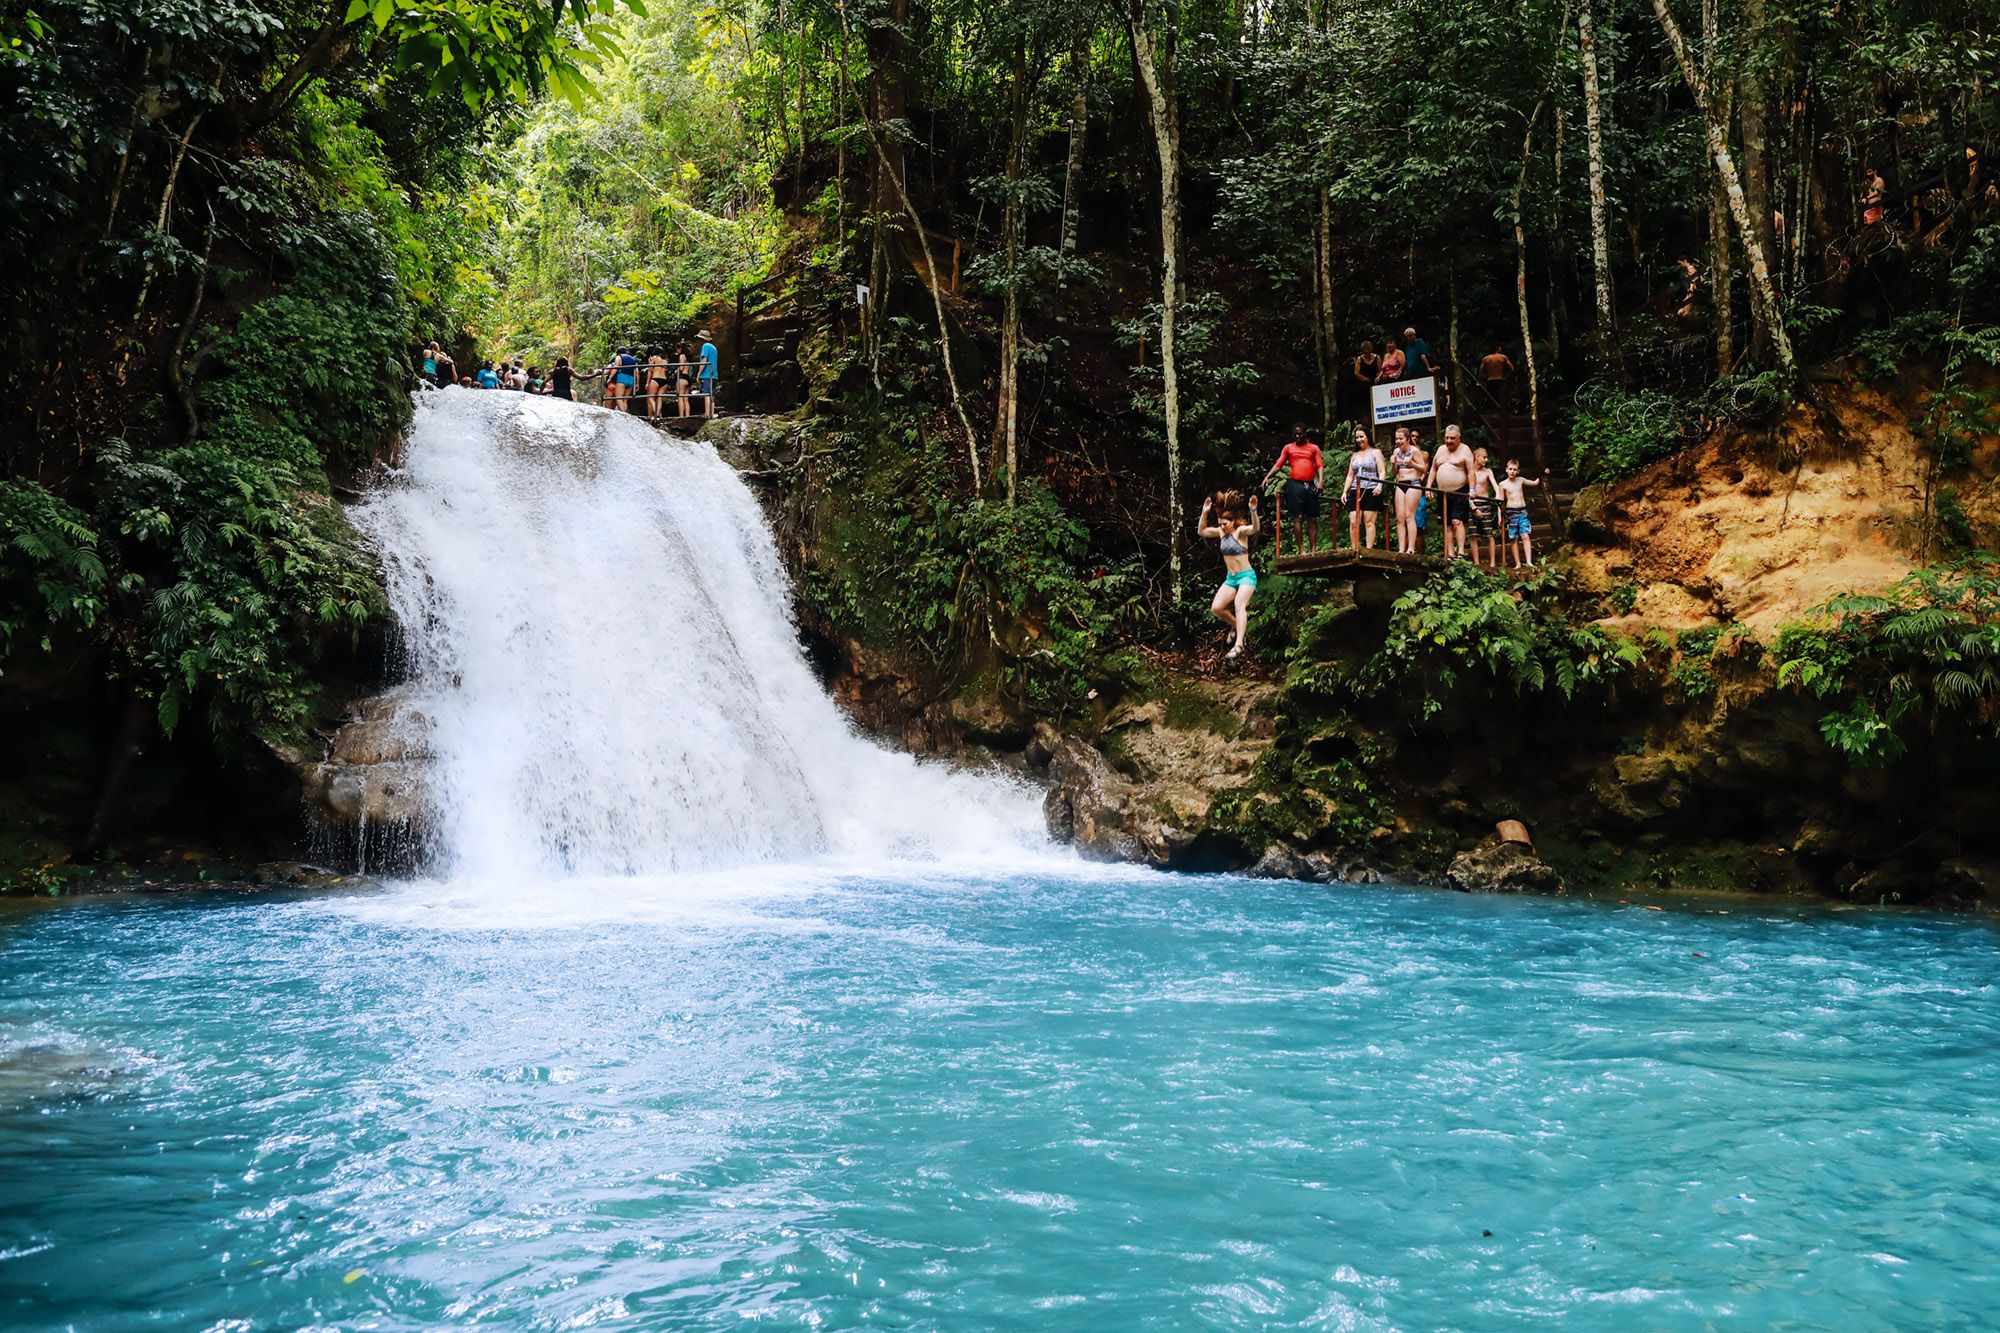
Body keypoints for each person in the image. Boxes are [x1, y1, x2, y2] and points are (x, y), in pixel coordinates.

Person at [1197, 491, 1260, 660]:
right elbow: (1202, 531)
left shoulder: (1240, 532)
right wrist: (1204, 512)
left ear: (1232, 522)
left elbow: (1255, 528)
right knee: (1217, 608)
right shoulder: (1220, 533)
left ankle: (1239, 644)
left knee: (1239, 603)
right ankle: (1236, 626)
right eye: (1220, 524)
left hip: (1246, 576)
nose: (1222, 526)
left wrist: (1253, 511)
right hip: (1231, 579)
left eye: (1225, 523)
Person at [1261, 424, 1324, 556]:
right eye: (1295, 434)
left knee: (1312, 518)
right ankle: (1301, 549)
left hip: (1310, 484)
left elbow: (1319, 466)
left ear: (1305, 434)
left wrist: (1320, 481)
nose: (1298, 436)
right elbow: (1279, 465)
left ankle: (1313, 550)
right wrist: (1267, 477)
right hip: (1295, 485)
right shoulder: (1289, 448)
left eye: (1300, 434)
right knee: (1298, 516)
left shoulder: (1313, 448)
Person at [1426, 424, 1477, 560]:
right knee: (1447, 523)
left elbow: (1471, 472)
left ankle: (1460, 551)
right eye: (1447, 438)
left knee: (1457, 521)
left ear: (1459, 438)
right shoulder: (1441, 450)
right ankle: (1450, 553)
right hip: (1442, 493)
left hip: (1460, 490)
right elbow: (1433, 469)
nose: (1449, 441)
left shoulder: (1465, 450)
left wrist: (1472, 489)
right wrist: (1429, 486)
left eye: (1452, 438)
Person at [1341, 426, 1386, 550]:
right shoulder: (1354, 455)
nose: (1359, 440)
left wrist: (1379, 485)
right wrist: (1345, 491)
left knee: (1369, 521)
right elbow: (1350, 475)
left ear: (1367, 437)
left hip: (1371, 489)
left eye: (1361, 436)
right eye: (1357, 437)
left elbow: (1382, 471)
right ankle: (1355, 549)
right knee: (1354, 522)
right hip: (1356, 489)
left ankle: (1368, 549)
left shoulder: (1375, 452)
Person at [1498, 459, 1542, 567]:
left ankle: (1528, 561)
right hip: (1511, 512)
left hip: (1522, 511)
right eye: (1510, 469)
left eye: (1515, 470)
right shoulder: (1503, 484)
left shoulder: (1521, 480)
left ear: (1518, 471)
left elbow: (1535, 483)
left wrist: (1543, 473)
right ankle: (1518, 563)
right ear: (1506, 470)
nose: (1512, 471)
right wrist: (1500, 516)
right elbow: (1500, 502)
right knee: (1514, 538)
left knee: (1525, 535)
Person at [1390, 426, 1424, 554]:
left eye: (1401, 439)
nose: (1398, 441)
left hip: (1413, 483)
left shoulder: (1414, 451)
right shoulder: (1395, 452)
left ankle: (1411, 548)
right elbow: (1394, 472)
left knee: (1410, 515)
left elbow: (1423, 469)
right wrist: (1393, 464)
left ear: (1408, 439)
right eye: (1396, 439)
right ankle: (1401, 548)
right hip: (1400, 483)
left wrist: (1412, 464)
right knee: (1400, 518)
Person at [1469, 447, 1501, 567]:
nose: (1486, 460)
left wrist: (1498, 498)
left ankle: (1492, 564)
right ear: (1476, 457)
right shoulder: (1469, 471)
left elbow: (1495, 486)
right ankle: (1476, 563)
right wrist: (1473, 507)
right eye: (1484, 457)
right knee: (1473, 534)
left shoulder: (1488, 471)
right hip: (1472, 504)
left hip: (1485, 504)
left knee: (1489, 535)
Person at [1479, 344, 1515, 436]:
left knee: (1491, 398)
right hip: (1500, 380)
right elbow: (1511, 369)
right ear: (1498, 349)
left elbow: (1481, 372)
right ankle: (1502, 415)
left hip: (1490, 380)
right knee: (1502, 398)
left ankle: (1493, 415)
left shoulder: (1486, 359)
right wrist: (1505, 377)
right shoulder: (1503, 358)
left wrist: (1486, 378)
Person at [696, 331, 720, 418]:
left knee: (706, 394)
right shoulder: (713, 347)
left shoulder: (705, 346)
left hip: (707, 374)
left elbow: (704, 360)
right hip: (714, 374)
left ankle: (706, 413)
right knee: (712, 395)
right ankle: (711, 413)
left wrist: (699, 374)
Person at [645, 345, 670, 418]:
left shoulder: (654, 358)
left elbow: (650, 370)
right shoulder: (665, 361)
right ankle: (658, 413)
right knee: (659, 398)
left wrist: (647, 382)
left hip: (655, 378)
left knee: (650, 397)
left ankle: (656, 413)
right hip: (664, 380)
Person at [673, 343, 693, 417]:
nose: (677, 351)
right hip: (688, 378)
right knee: (686, 399)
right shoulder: (689, 358)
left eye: (677, 349)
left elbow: (681, 368)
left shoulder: (682, 356)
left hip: (683, 377)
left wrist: (677, 369)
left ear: (679, 348)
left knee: (680, 398)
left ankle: (681, 416)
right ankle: (687, 416)